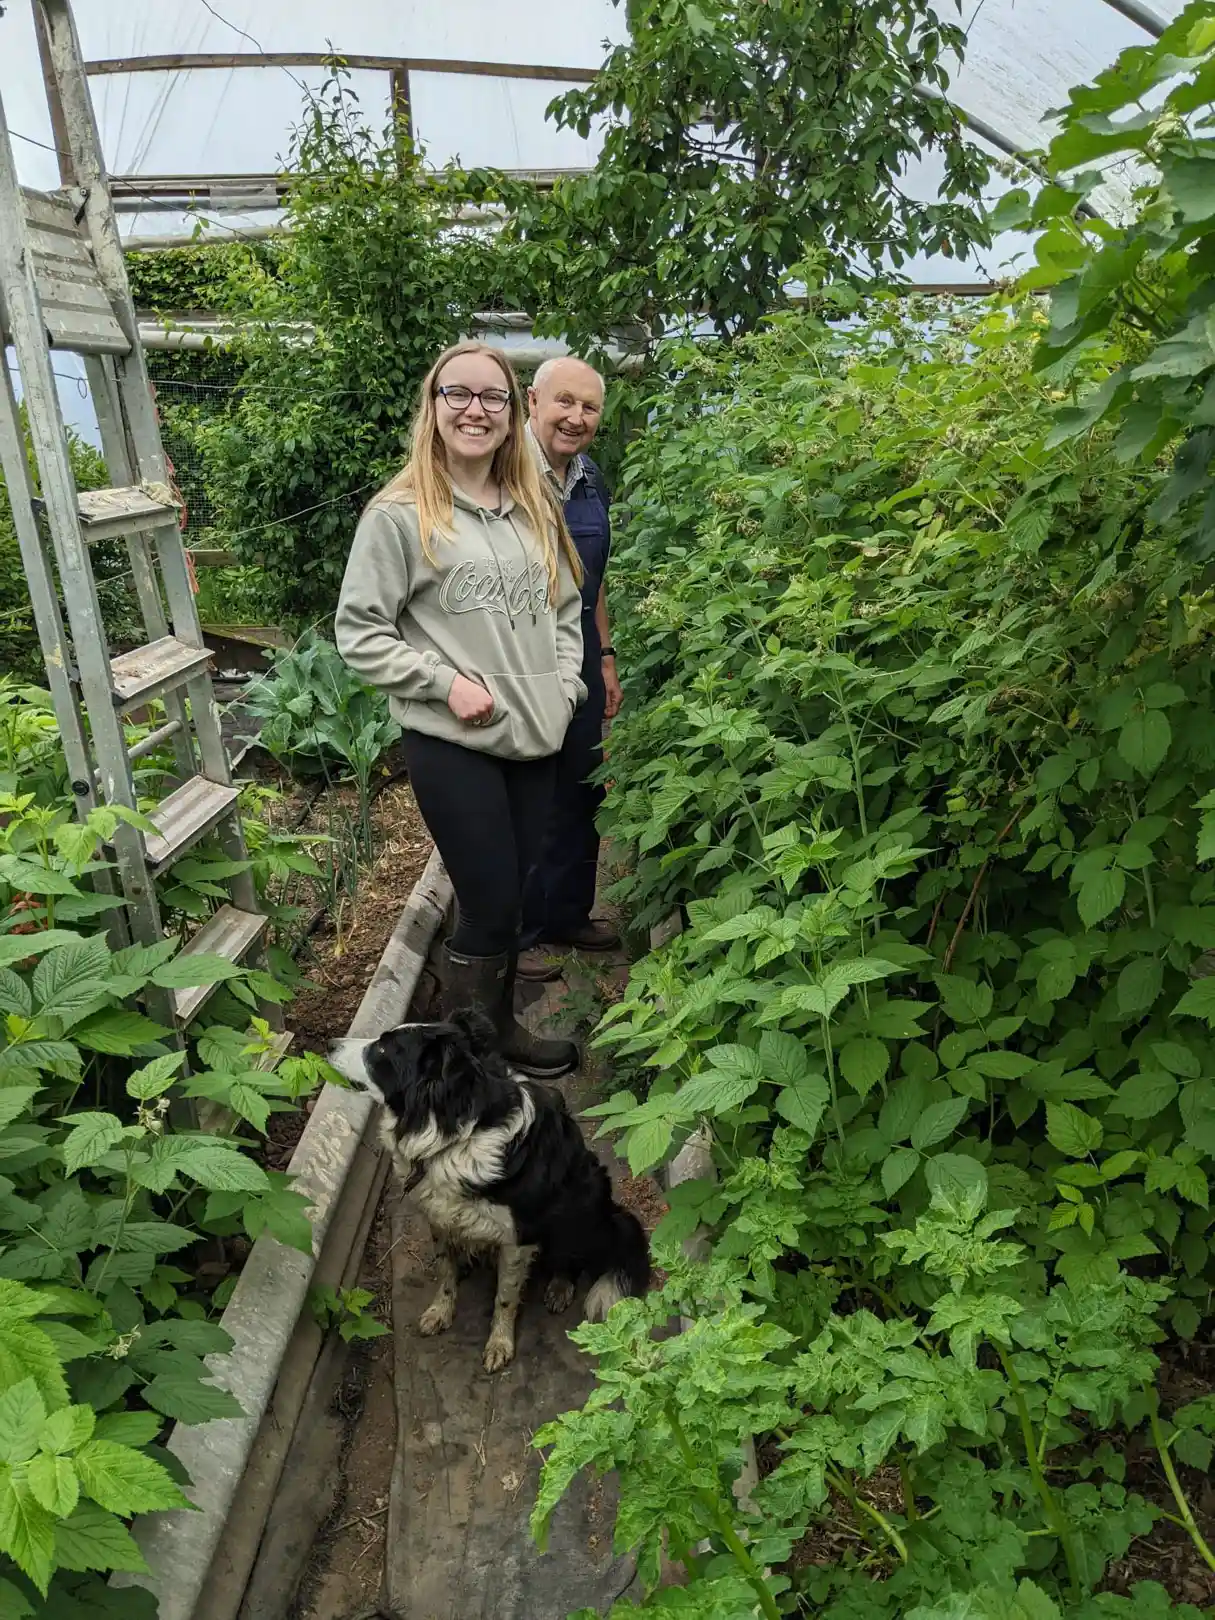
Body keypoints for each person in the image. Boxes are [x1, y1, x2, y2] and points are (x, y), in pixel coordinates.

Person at [334, 342, 585, 1079]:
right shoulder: (399, 516)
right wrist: (444, 684)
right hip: (454, 740)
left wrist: (565, 685)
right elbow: (359, 631)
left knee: (512, 896)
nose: (475, 409)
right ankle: (465, 1058)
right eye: (458, 394)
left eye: (492, 396)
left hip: (536, 734)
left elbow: (565, 609)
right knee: (488, 899)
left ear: (512, 413)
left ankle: (490, 1031)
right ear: (434, 406)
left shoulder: (533, 508)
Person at [518, 356, 623, 981]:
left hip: (579, 648)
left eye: (589, 407)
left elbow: (594, 578)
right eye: (565, 401)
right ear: (532, 401)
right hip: (518, 654)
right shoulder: (502, 473)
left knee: (581, 784)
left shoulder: (590, 481)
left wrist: (604, 654)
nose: (576, 417)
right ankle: (521, 933)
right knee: (527, 788)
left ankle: (568, 915)